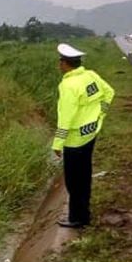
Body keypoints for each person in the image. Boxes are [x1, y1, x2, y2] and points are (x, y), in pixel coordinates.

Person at [53, 44, 114, 228]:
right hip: (90, 133)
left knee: (73, 181)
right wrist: (100, 114)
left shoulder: (68, 85)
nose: (59, 65)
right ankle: (83, 214)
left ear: (65, 63)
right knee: (84, 176)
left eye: (60, 61)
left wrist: (57, 143)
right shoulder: (90, 75)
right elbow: (109, 92)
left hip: (74, 141)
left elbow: (66, 117)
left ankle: (77, 218)